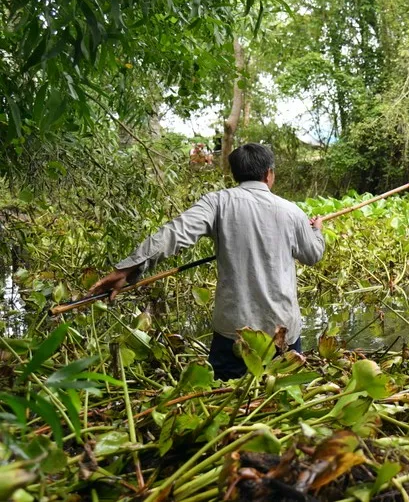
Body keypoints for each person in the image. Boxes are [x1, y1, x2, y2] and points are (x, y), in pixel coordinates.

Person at [90, 144, 326, 379]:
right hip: (281, 333)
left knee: (225, 403)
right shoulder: (292, 212)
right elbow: (312, 255)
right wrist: (316, 231)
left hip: (234, 333)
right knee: (282, 400)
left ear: (235, 174)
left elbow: (173, 234)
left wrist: (126, 269)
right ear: (269, 174)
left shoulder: (217, 203)